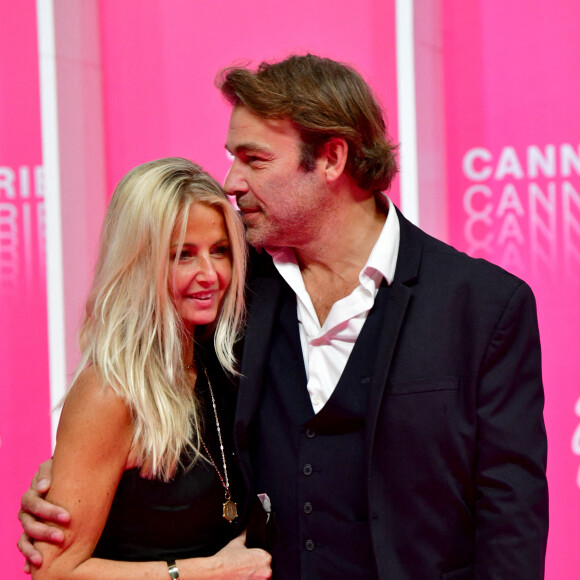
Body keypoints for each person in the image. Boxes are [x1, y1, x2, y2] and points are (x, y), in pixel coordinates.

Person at [19, 55, 548, 578]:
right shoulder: (232, 292)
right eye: (232, 157)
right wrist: (76, 487)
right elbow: (155, 408)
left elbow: (511, 518)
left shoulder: (482, 306)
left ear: (330, 159)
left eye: (254, 159)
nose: (230, 180)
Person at [22, 158, 272, 579]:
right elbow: (53, 572)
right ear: (140, 261)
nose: (210, 274)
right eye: (183, 255)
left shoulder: (218, 363)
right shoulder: (108, 392)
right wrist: (207, 573)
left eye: (220, 251)